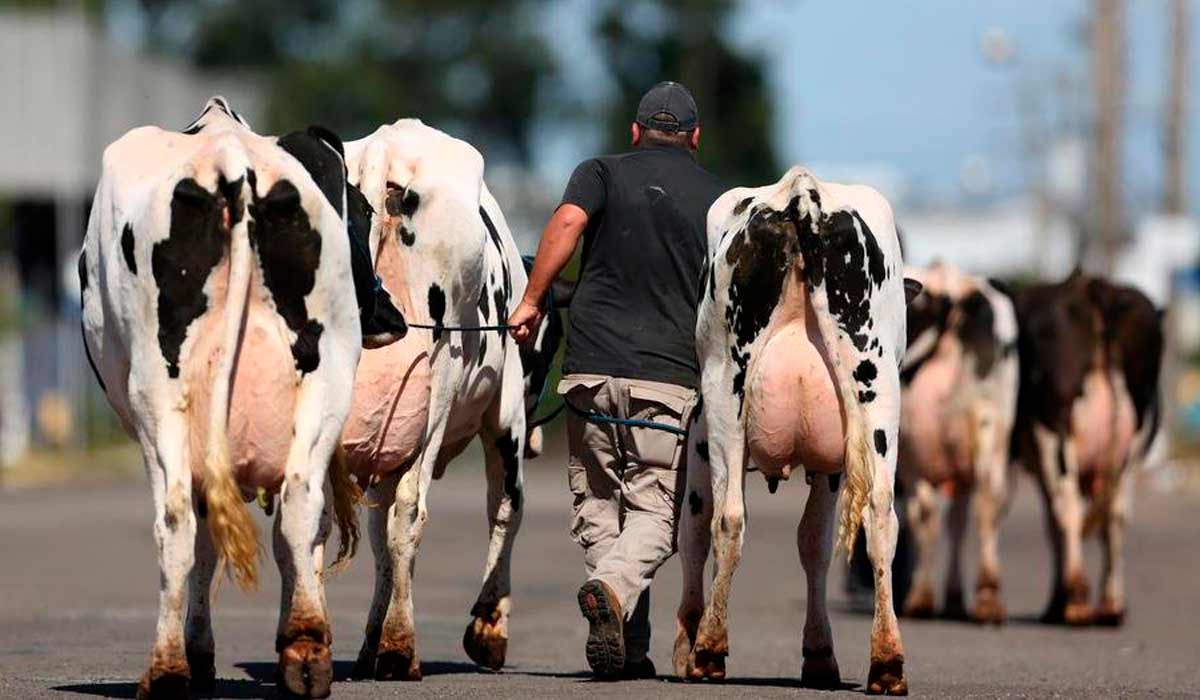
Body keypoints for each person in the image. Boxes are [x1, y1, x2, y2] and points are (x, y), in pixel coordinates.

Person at [508, 81, 723, 679]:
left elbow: (569, 221)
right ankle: (612, 587)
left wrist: (531, 299)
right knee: (656, 510)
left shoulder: (598, 171)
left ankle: (628, 647)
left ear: (635, 132)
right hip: (668, 377)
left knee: (600, 504)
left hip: (588, 372)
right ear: (694, 139)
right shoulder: (719, 198)